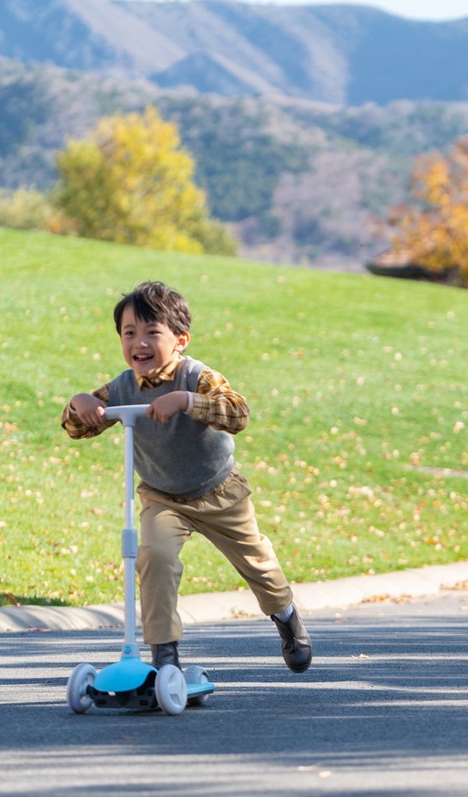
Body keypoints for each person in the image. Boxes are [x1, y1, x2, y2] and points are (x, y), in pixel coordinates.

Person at [61, 281, 312, 674]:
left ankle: (286, 617)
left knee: (259, 565)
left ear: (180, 340)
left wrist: (186, 402)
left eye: (151, 333)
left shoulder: (197, 377)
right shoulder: (123, 387)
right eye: (129, 334)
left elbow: (238, 413)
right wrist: (81, 403)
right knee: (154, 557)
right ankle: (165, 654)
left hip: (218, 490)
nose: (138, 343)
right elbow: (79, 427)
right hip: (163, 497)